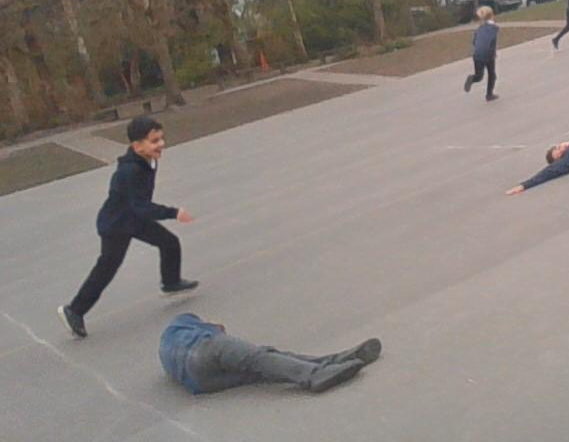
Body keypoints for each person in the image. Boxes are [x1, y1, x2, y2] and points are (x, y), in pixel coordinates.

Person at [58, 117, 197, 339]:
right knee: (107, 268)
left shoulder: (148, 159)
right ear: (137, 145)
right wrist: (174, 212)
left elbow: (139, 206)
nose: (161, 144)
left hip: (133, 218)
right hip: (116, 225)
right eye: (154, 141)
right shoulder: (130, 171)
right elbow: (141, 206)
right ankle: (74, 311)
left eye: (161, 139)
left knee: (169, 242)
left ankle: (171, 283)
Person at [158, 313, 382, 394]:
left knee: (261, 370)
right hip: (203, 350)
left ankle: (334, 362)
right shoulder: (186, 322)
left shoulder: (167, 347)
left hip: (198, 381)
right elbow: (218, 329)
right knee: (263, 357)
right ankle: (316, 374)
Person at [463, 5, 499, 101]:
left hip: (477, 55)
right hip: (488, 54)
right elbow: (492, 42)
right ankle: (489, 95)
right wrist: (493, 53)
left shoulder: (479, 29)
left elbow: (474, 42)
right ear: (492, 16)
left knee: (479, 76)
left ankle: (472, 78)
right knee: (492, 75)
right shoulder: (494, 28)